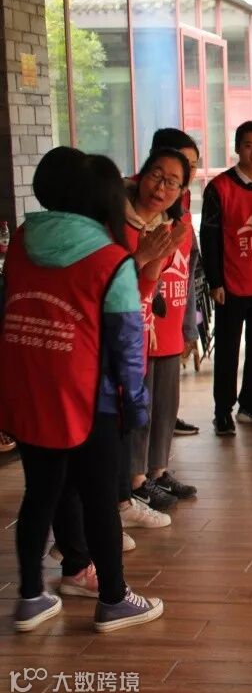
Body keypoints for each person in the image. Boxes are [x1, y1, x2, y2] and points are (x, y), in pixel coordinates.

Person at [0, 148, 164, 633]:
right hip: (91, 399)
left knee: (40, 495)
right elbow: (127, 343)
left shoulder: (22, 240)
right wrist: (136, 405)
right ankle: (113, 599)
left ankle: (31, 597)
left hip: (29, 390)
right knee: (98, 499)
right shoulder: (111, 259)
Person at [124, 148, 200, 514]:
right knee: (139, 411)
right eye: (157, 176)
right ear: (142, 174)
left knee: (165, 408)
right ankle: (135, 479)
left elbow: (186, 277)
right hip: (135, 333)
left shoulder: (177, 227)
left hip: (168, 329)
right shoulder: (119, 223)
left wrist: (189, 327)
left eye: (173, 182)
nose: (161, 188)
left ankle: (157, 471)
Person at [200, 120, 252, 436]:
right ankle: (222, 411)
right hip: (231, 285)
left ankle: (250, 403)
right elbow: (208, 237)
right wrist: (215, 282)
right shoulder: (219, 188)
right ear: (237, 148)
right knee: (227, 351)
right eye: (249, 146)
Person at [148, 128, 205, 438]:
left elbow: (188, 270)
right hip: (143, 325)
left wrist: (189, 327)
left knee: (164, 408)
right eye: (183, 162)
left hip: (172, 319)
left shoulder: (182, 207)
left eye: (193, 165)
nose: (188, 172)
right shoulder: (133, 207)